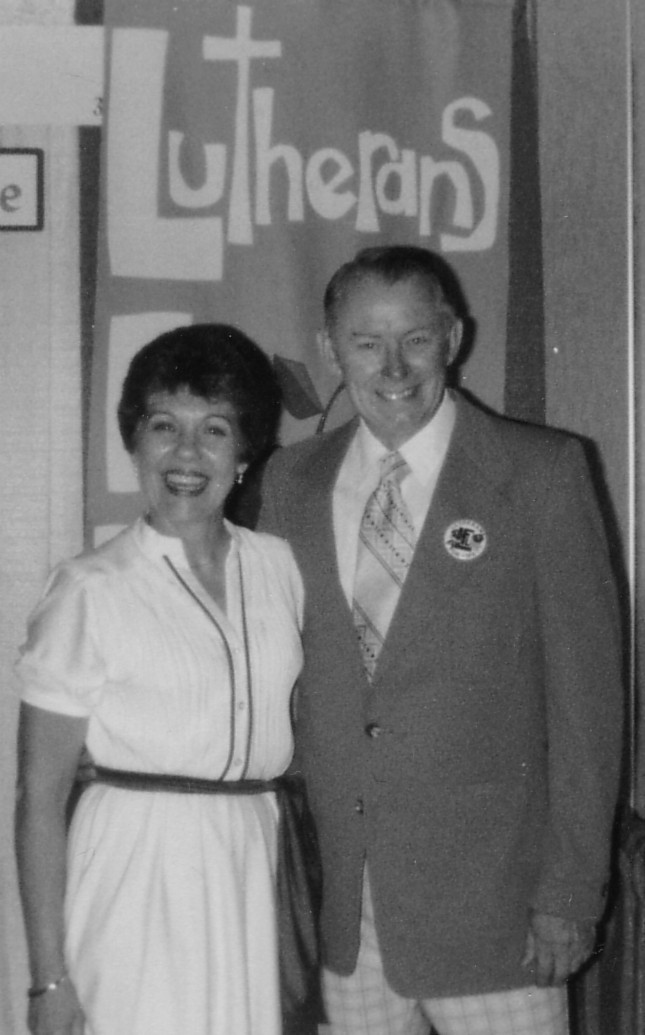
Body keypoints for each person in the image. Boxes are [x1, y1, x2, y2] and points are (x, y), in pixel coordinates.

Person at [257, 245, 624, 1035]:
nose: (393, 367)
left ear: (451, 337)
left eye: (415, 338)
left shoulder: (540, 473)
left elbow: (588, 706)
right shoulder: (292, 482)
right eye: (366, 342)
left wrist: (569, 893)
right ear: (330, 348)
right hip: (349, 916)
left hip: (498, 917)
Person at [14, 324, 316, 1035]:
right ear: (135, 444)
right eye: (163, 426)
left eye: (214, 429)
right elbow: (39, 797)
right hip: (136, 868)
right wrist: (48, 976)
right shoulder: (89, 589)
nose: (186, 453)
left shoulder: (279, 566)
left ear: (244, 453)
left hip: (252, 863)